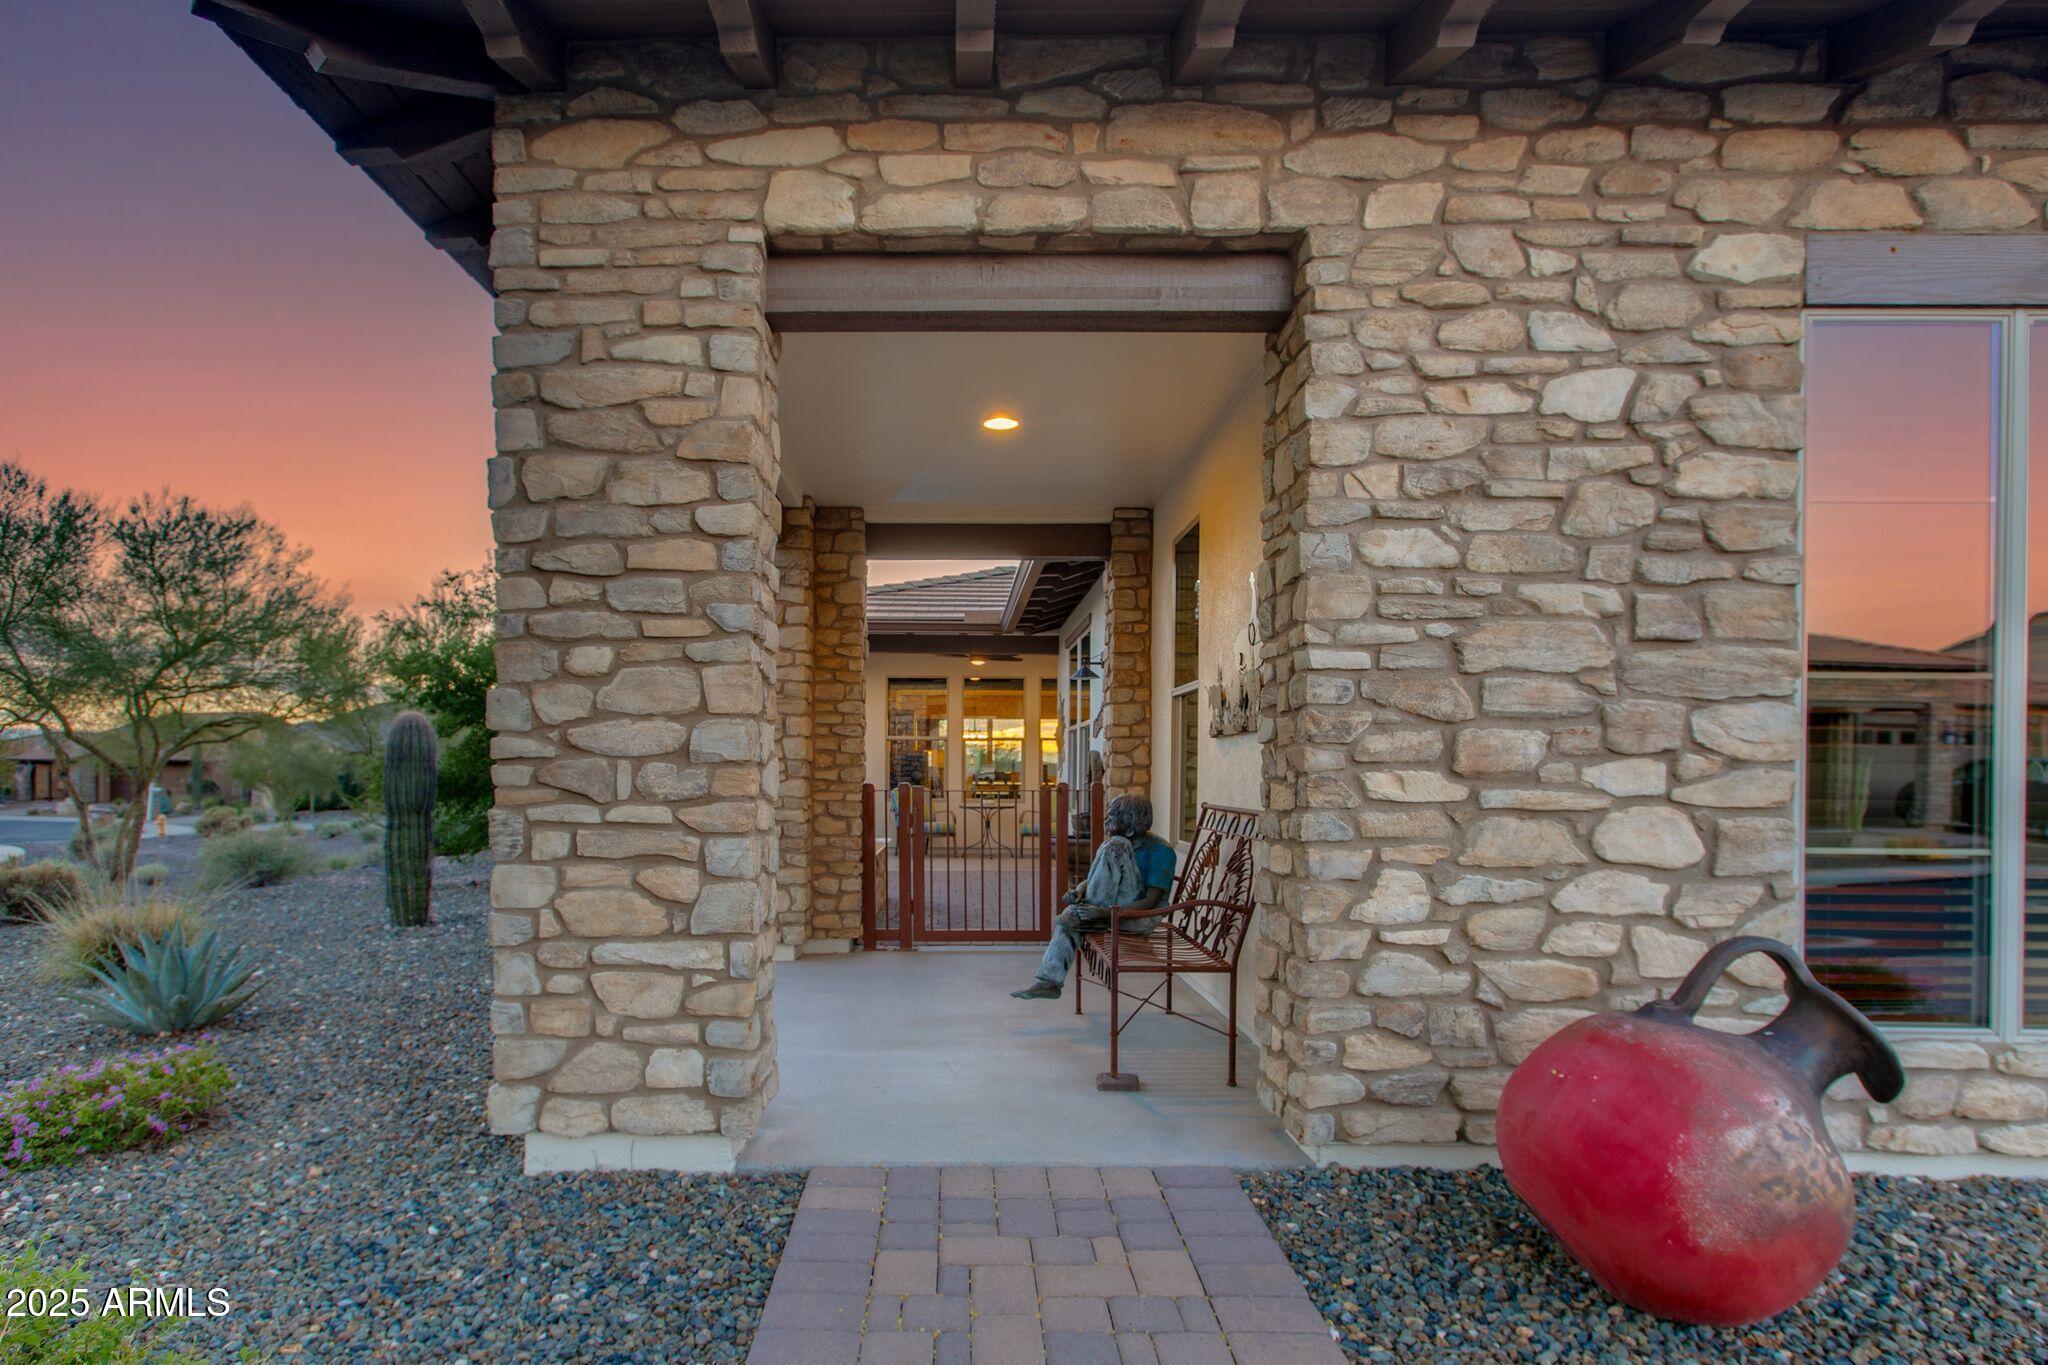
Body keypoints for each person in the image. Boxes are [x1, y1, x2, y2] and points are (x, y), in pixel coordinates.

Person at [1011, 793, 1176, 1000]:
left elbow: (1151, 903)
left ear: (1131, 828)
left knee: (1115, 845)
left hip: (1139, 918)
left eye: (1111, 818)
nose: (1106, 822)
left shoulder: (1160, 851)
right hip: (1110, 912)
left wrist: (1103, 913)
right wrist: (1079, 890)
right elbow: (1095, 878)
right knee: (1073, 914)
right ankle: (1049, 982)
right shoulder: (1117, 846)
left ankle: (1085, 916)